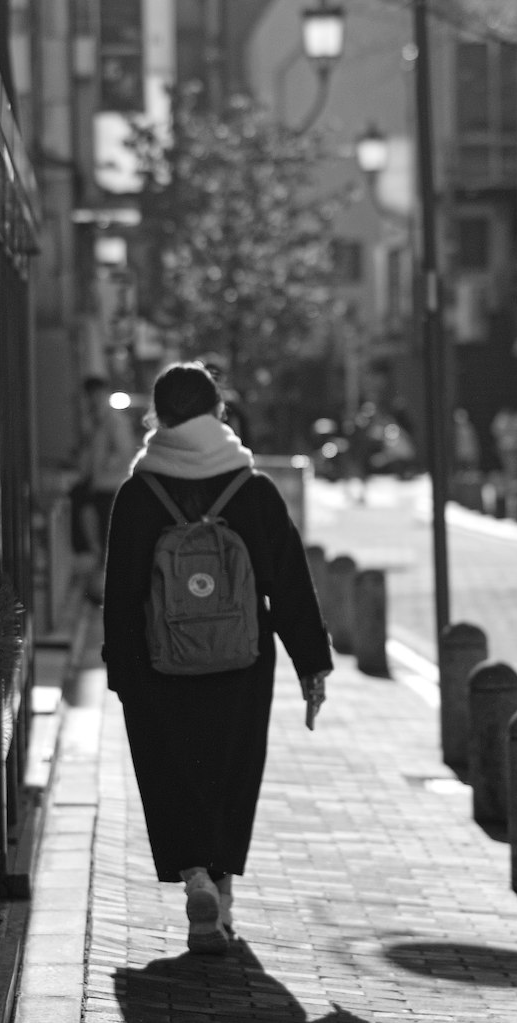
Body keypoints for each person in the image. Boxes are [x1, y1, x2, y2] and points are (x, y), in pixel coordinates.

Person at [101, 361, 333, 953]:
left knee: (170, 766)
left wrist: (123, 670)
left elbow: (122, 590)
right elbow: (288, 580)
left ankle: (194, 877)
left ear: (159, 417)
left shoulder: (138, 491)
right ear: (217, 413)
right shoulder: (251, 488)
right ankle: (222, 898)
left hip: (160, 661)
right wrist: (311, 663)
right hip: (241, 662)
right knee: (231, 769)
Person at [73, 378, 138, 590]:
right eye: (90, 394)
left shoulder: (113, 421)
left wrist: (102, 468)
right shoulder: (95, 420)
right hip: (99, 482)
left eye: (96, 393)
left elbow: (122, 451)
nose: (93, 398)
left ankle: (108, 573)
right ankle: (103, 570)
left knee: (106, 528)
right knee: (99, 526)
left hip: (111, 484)